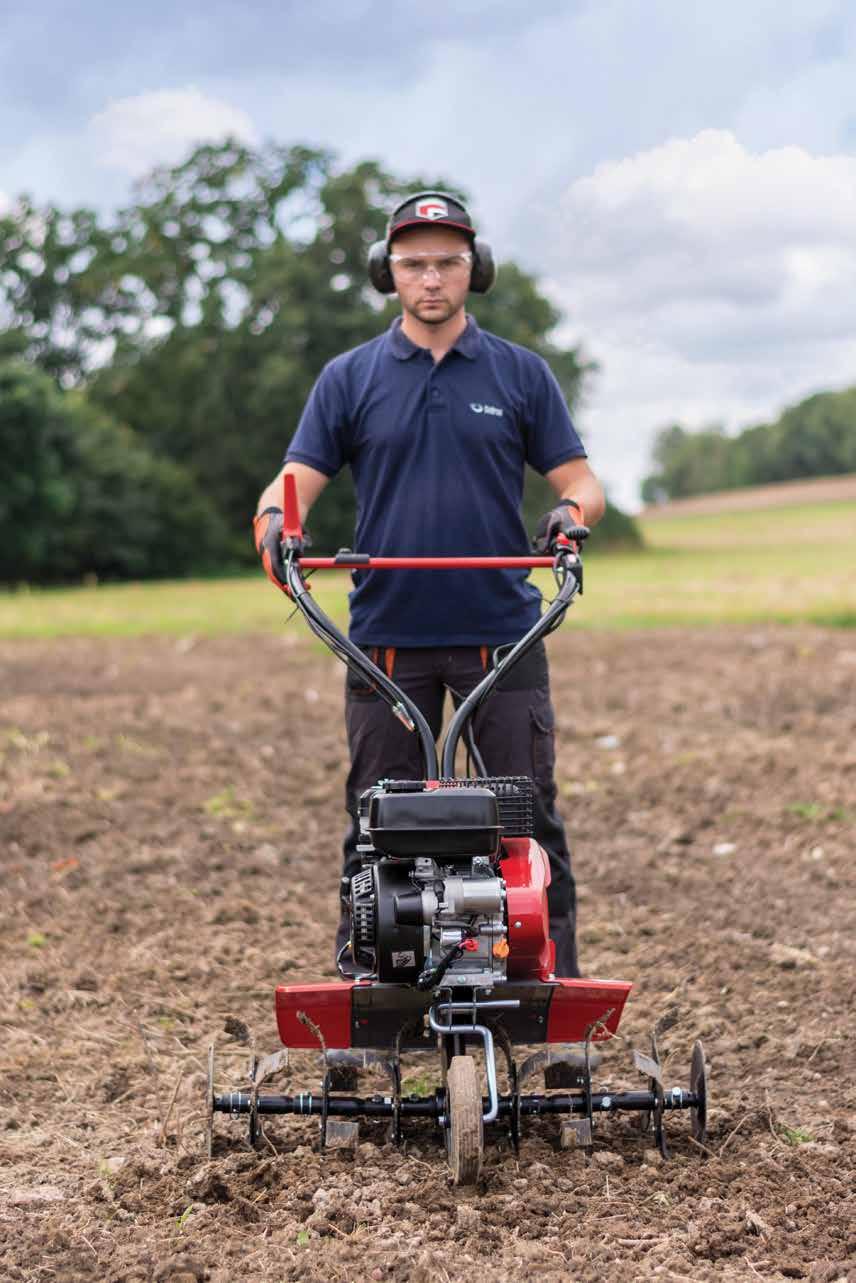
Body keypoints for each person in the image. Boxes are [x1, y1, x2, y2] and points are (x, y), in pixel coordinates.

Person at [254, 191, 605, 978]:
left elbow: (581, 480)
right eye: (414, 264)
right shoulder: (351, 378)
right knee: (375, 826)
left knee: (528, 822)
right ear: (390, 274)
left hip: (502, 636)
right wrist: (277, 526)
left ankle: (555, 991)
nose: (432, 278)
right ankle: (369, 990)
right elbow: (291, 485)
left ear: (473, 270)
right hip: (383, 639)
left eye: (448, 262)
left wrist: (568, 514)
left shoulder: (519, 373)